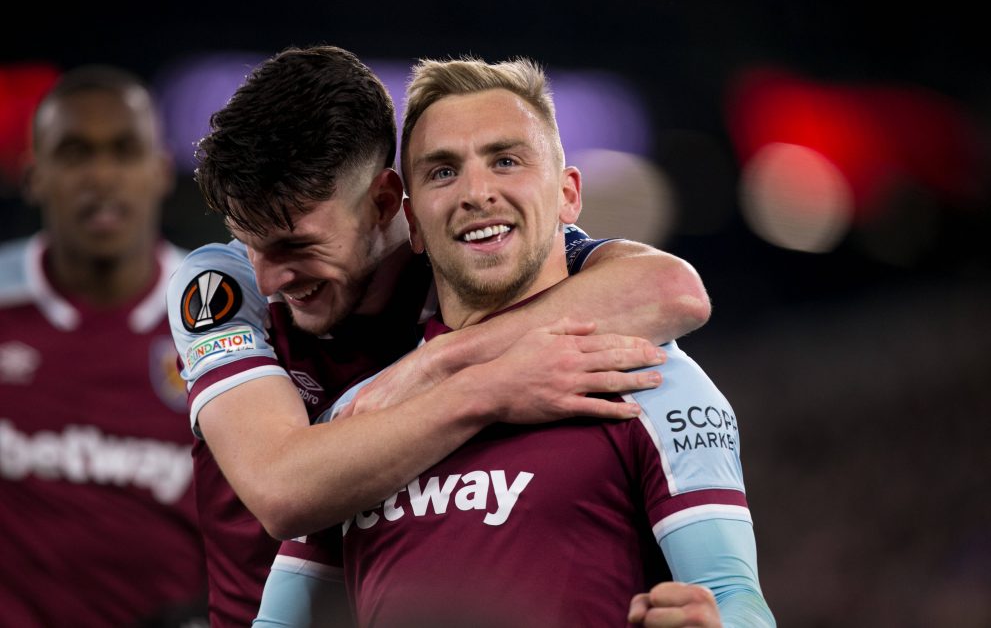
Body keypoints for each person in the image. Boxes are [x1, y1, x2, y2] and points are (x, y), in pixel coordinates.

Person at [166, 45, 712, 626]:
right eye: (252, 243)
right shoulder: (220, 283)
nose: (272, 279)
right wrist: (483, 384)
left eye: (299, 246)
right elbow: (282, 491)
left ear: (383, 202)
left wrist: (435, 362)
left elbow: (672, 291)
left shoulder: (469, 261)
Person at [0, 65, 208, 626]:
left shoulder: (223, 318)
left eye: (124, 151)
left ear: (161, 170)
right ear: (35, 175)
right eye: (74, 154)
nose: (102, 176)